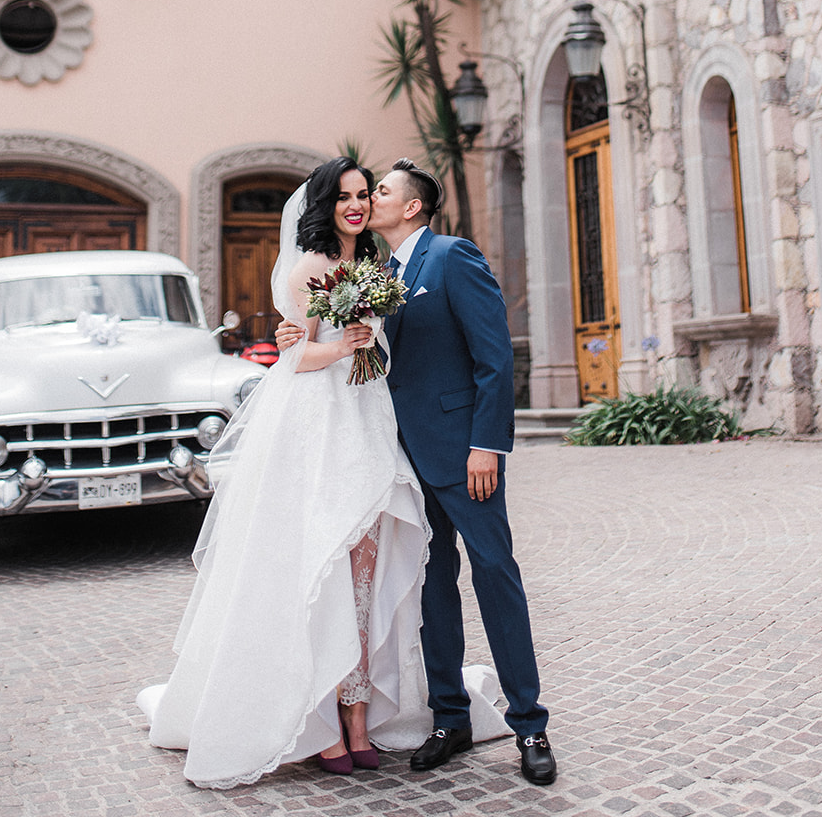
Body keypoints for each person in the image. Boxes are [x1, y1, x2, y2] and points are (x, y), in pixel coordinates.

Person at [137, 157, 503, 788]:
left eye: (366, 195)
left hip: (370, 420)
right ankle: (325, 724)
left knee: (369, 573)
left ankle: (361, 719)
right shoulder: (310, 267)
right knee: (326, 568)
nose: (357, 205)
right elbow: (295, 356)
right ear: (326, 204)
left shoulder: (376, 269)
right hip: (323, 426)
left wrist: (369, 343)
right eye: (346, 197)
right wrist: (346, 345)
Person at [278, 157, 556, 787]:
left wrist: (487, 445)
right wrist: (296, 330)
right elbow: (353, 340)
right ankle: (448, 717)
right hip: (396, 456)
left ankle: (531, 724)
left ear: (411, 207)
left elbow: (493, 358)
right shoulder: (372, 271)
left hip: (462, 454)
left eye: (379, 191)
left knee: (495, 575)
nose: (367, 198)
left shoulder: (452, 257)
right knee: (430, 588)